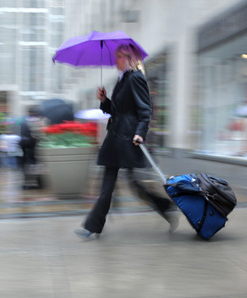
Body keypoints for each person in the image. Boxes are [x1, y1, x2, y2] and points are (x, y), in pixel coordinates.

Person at [74, 44, 179, 239]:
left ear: (130, 59)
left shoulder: (135, 78)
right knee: (108, 185)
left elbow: (145, 110)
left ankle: (166, 207)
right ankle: (93, 226)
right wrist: (105, 100)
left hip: (128, 139)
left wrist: (140, 133)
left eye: (121, 57)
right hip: (116, 138)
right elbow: (117, 111)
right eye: (116, 57)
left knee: (134, 184)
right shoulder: (122, 80)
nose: (117, 60)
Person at [19, 105, 46, 189]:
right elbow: (42, 134)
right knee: (37, 164)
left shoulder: (25, 121)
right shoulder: (41, 121)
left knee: (28, 166)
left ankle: (28, 183)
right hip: (37, 146)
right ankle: (39, 182)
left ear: (29, 112)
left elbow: (23, 134)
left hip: (27, 147)